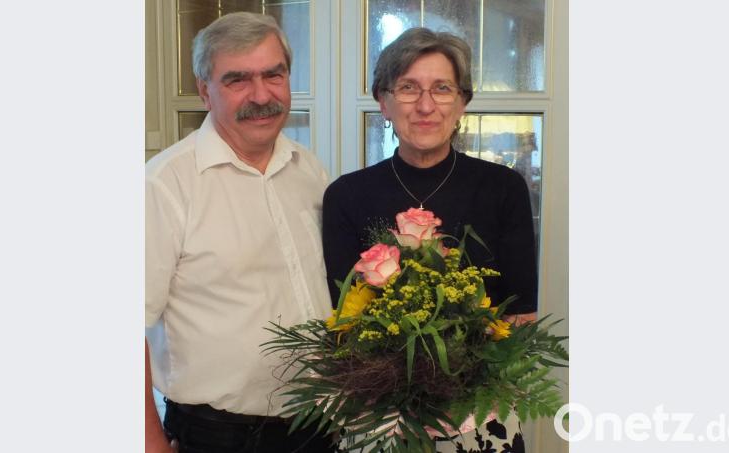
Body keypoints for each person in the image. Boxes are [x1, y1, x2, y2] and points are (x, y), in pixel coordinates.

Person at [322, 27, 535, 452]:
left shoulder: (502, 188)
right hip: (379, 417)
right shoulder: (346, 195)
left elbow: (522, 314)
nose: (425, 106)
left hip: (479, 415)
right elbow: (345, 322)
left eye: (441, 88)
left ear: (462, 103)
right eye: (407, 88)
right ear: (383, 101)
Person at [145, 12, 335, 453]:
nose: (262, 95)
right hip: (220, 436)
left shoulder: (309, 170)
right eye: (237, 80)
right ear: (204, 91)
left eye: (274, 74)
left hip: (317, 422)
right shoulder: (165, 184)